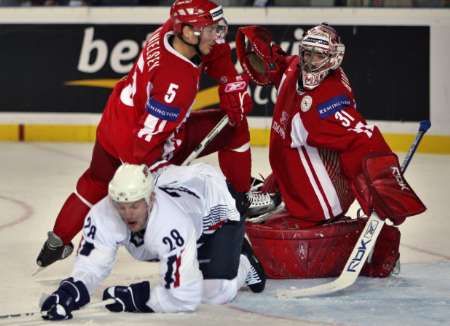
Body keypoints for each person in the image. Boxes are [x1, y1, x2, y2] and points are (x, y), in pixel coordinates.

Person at [36, 0, 262, 268]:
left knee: (96, 179)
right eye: (211, 30)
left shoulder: (171, 30)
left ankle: (57, 240)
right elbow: (144, 146)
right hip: (141, 146)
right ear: (189, 33)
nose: (217, 36)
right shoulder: (178, 84)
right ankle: (239, 201)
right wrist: (151, 177)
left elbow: (218, 53)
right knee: (233, 131)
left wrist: (228, 82)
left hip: (114, 123)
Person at [234, 23, 425, 278]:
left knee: (258, 225)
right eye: (307, 54)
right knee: (245, 204)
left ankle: (379, 243)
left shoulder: (328, 102)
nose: (310, 62)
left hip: (317, 199)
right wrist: (262, 51)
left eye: (318, 56)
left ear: (333, 58)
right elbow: (279, 65)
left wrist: (386, 186)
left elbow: (363, 140)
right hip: (294, 175)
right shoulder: (294, 69)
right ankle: (278, 194)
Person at [40, 163, 266, 320]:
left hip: (216, 206)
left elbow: (184, 297)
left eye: (134, 206)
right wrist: (73, 289)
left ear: (150, 199)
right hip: (179, 189)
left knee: (216, 292)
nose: (127, 214)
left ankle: (244, 261)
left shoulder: (171, 223)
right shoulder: (106, 213)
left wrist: (136, 299)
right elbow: (92, 264)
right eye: (121, 206)